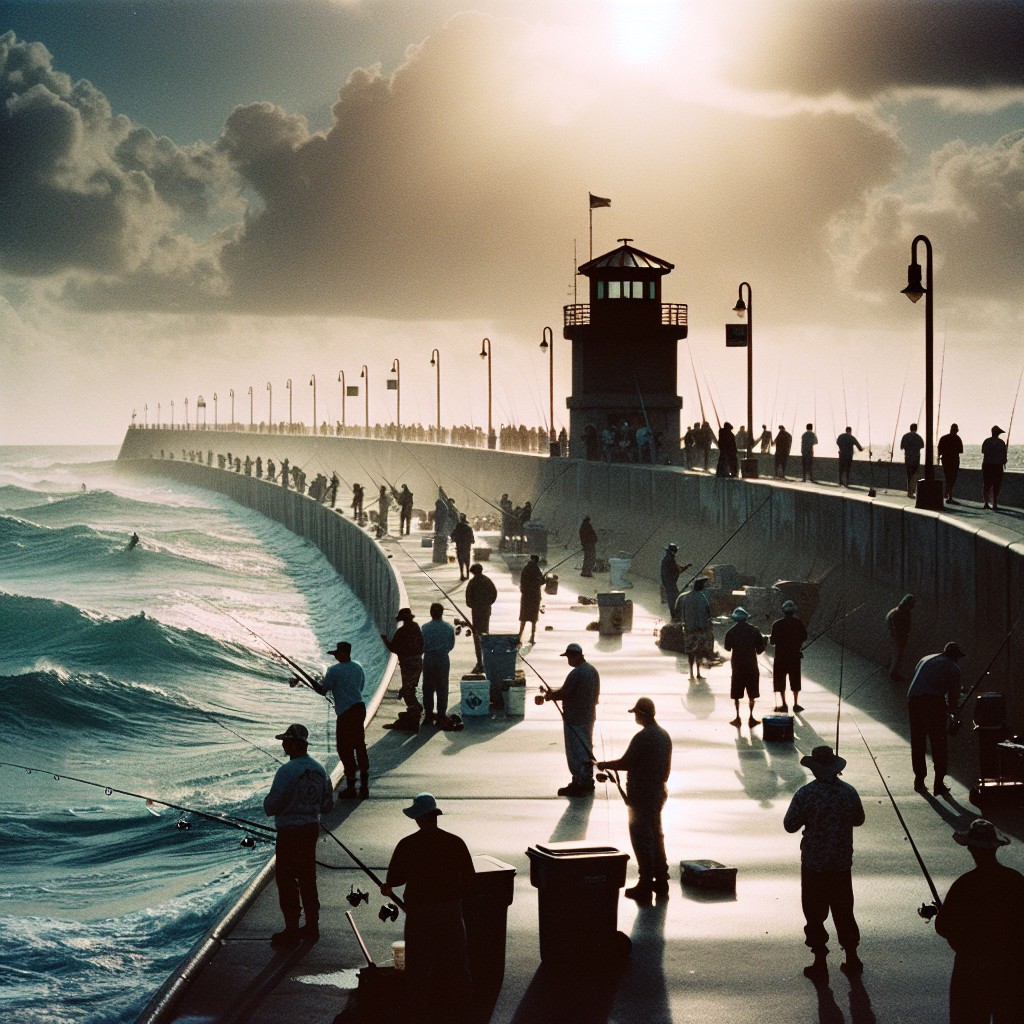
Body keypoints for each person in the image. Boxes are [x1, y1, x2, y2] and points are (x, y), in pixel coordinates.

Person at [381, 794, 475, 1023]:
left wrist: (388, 888)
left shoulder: (407, 844)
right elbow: (470, 879)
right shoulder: (455, 842)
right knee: (456, 964)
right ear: (435, 816)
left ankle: (418, 1014)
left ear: (418, 819)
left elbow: (395, 878)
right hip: (450, 910)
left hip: (419, 913)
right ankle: (462, 1012)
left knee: (418, 967)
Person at [784, 745, 865, 980]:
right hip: (841, 863)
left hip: (814, 864)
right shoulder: (848, 792)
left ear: (815, 770)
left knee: (814, 912)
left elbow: (790, 825)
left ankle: (820, 961)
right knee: (844, 911)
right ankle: (852, 958)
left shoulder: (805, 794)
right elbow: (859, 820)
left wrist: (808, 816)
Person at [934, 818, 1024, 1024]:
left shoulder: (964, 885)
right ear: (995, 848)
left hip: (972, 970)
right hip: (1012, 969)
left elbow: (943, 927)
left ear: (971, 849)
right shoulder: (1015, 880)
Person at [263, 724, 334, 946]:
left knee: (286, 880)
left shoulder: (286, 771)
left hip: (289, 832)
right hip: (311, 830)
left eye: (285, 741)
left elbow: (271, 806)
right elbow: (328, 805)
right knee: (307, 878)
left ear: (294, 744)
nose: (283, 745)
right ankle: (312, 926)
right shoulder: (321, 770)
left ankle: (291, 930)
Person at [596, 697, 672, 901]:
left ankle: (645, 883)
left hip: (641, 795)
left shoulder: (643, 737)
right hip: (658, 792)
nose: (635, 716)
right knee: (656, 836)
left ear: (642, 714)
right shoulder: (664, 735)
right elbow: (666, 769)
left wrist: (603, 764)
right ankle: (662, 881)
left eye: (636, 713)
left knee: (641, 839)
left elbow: (626, 762)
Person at [310, 643, 369, 799]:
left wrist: (314, 685)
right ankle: (364, 785)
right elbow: (360, 688)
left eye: (337, 653)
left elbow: (324, 690)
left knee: (345, 748)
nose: (335, 656)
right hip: (359, 708)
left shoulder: (333, 670)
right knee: (359, 744)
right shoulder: (358, 667)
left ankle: (351, 786)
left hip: (346, 713)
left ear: (343, 653)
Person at [541, 643, 600, 797]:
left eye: (569, 657)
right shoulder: (592, 671)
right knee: (586, 749)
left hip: (575, 719)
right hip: (588, 717)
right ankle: (587, 781)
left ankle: (579, 782)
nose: (568, 660)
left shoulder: (577, 673)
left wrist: (550, 695)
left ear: (576, 656)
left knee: (576, 752)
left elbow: (564, 693)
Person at [907, 641, 965, 795]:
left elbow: (921, 679)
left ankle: (919, 780)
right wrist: (954, 715)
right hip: (932, 703)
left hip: (913, 700)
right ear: (956, 656)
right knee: (939, 743)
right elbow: (953, 700)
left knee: (918, 741)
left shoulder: (926, 658)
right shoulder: (954, 668)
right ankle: (938, 783)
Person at [724, 606, 767, 727]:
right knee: (752, 694)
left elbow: (727, 648)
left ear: (735, 619)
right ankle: (751, 717)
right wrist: (764, 644)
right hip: (751, 666)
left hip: (737, 667)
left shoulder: (731, 632)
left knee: (737, 694)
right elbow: (759, 651)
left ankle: (737, 717)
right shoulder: (754, 631)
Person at [382, 608, 424, 718]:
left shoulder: (401, 632)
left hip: (407, 664)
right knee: (410, 687)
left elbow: (393, 648)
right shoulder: (416, 628)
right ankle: (414, 709)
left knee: (407, 689)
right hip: (418, 662)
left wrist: (384, 640)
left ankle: (414, 710)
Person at [770, 599, 808, 713]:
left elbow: (772, 641)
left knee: (780, 680)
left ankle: (784, 704)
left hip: (780, 657)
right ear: (794, 611)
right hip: (794, 657)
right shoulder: (799, 623)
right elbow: (804, 637)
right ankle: (796, 704)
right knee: (795, 680)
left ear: (783, 611)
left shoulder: (777, 624)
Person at [421, 603, 456, 726]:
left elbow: (422, 645)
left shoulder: (424, 628)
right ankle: (441, 714)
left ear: (431, 613)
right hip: (443, 659)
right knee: (442, 687)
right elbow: (451, 645)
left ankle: (429, 714)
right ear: (442, 613)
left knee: (428, 687)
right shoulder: (449, 628)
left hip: (429, 659)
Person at [465, 564, 497, 675]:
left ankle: (479, 662)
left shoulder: (472, 583)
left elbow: (468, 600)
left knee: (477, 636)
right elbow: (494, 594)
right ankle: (486, 660)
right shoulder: (488, 581)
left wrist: (474, 605)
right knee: (485, 635)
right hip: (486, 610)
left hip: (477, 612)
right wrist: (487, 604)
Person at [680, 577, 714, 680]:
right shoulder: (702, 597)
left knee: (690, 651)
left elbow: (683, 613)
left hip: (689, 629)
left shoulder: (687, 597)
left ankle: (691, 673)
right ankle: (698, 673)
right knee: (699, 650)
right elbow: (708, 612)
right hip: (701, 629)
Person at [886, 593, 915, 681]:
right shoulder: (897, 613)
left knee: (897, 654)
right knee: (897, 654)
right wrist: (897, 637)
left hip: (901, 636)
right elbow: (894, 627)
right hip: (897, 637)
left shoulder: (904, 612)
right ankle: (892, 673)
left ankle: (891, 667)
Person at [518, 554, 544, 644]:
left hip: (526, 597)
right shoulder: (537, 570)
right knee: (533, 619)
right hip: (535, 597)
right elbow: (541, 581)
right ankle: (532, 637)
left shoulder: (525, 569)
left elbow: (522, 582)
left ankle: (519, 636)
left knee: (523, 618)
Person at [981, 425, 1008, 510]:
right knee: (996, 484)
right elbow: (1004, 457)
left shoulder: (986, 441)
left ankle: (986, 503)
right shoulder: (1001, 443)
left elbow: (983, 451)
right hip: (997, 466)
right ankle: (995, 503)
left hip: (987, 465)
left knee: (986, 484)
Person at [937, 423, 963, 504]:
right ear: (957, 430)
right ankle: (949, 495)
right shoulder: (958, 439)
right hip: (954, 460)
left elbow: (939, 450)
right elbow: (960, 451)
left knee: (947, 477)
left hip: (945, 460)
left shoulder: (944, 438)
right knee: (953, 478)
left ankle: (948, 494)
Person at [900, 423, 925, 498]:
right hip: (916, 458)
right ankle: (912, 491)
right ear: (916, 429)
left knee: (909, 474)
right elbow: (922, 446)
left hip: (908, 458)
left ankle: (909, 491)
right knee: (914, 475)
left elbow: (902, 447)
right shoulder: (918, 437)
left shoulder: (905, 436)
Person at [661, 544, 684, 622]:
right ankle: (675, 617)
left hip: (668, 584)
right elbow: (676, 571)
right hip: (670, 584)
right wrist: (684, 568)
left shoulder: (666, 559)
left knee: (672, 601)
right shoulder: (669, 560)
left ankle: (675, 617)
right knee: (674, 601)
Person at [451, 514, 475, 580]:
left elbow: (452, 536)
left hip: (459, 547)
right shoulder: (468, 528)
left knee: (460, 561)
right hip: (467, 547)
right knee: (467, 561)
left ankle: (462, 574)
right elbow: (472, 540)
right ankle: (467, 575)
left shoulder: (457, 528)